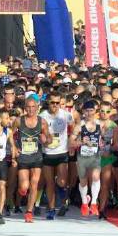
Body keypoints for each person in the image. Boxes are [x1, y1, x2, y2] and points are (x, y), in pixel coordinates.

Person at [12, 96, 51, 223]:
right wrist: (14, 147)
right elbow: (9, 135)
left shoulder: (42, 122)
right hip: (23, 157)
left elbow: (49, 138)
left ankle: (29, 212)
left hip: (36, 157)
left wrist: (46, 140)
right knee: (25, 186)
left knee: (34, 184)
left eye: (33, 107)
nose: (30, 109)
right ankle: (21, 191)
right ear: (24, 108)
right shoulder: (18, 121)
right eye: (28, 107)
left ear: (37, 108)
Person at [39, 91, 73, 220]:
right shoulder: (42, 116)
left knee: (61, 182)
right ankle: (51, 208)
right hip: (47, 153)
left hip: (62, 152)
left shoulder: (66, 115)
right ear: (48, 102)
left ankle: (64, 201)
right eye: (52, 102)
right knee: (49, 183)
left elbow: (74, 128)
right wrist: (42, 138)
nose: (55, 105)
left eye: (57, 103)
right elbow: (38, 132)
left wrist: (71, 142)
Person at [70, 100, 105, 218]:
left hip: (95, 156)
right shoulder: (80, 125)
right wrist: (80, 141)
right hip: (82, 157)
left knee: (95, 176)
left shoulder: (100, 124)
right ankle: (85, 203)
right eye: (87, 111)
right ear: (83, 112)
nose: (89, 113)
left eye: (91, 111)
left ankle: (94, 203)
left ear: (95, 111)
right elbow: (71, 142)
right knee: (83, 181)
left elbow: (105, 139)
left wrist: (103, 143)